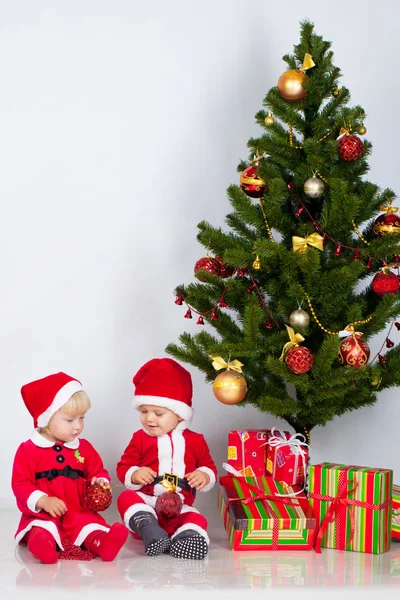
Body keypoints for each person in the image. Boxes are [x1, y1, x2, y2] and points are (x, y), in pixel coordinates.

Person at [12, 372, 129, 564]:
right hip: (45, 512)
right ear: (47, 418)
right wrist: (42, 500)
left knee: (88, 524)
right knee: (42, 527)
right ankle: (43, 546)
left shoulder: (84, 447)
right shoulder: (28, 449)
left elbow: (97, 469)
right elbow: (20, 483)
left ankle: (102, 543)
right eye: (70, 420)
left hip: (77, 509)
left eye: (82, 418)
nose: (78, 426)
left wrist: (100, 481)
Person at [117, 358, 217, 560]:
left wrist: (204, 476)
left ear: (180, 415)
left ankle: (187, 537)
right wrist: (135, 474)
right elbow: (123, 466)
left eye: (158, 413)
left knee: (197, 518)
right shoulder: (140, 438)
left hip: (180, 505)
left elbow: (208, 466)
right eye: (144, 411)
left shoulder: (196, 441)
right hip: (148, 502)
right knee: (126, 498)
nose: (149, 418)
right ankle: (149, 529)